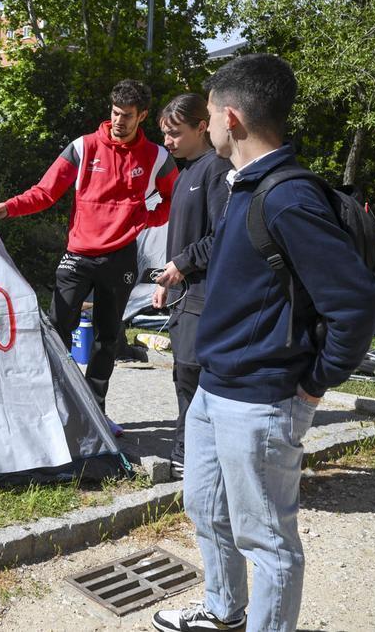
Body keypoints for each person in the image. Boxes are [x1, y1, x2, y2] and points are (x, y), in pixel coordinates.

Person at [153, 54, 375, 632]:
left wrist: (314, 385)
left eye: (209, 114)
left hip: (261, 399)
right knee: (205, 508)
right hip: (215, 388)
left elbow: (356, 303)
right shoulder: (245, 186)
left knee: (268, 540)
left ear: (230, 118)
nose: (206, 124)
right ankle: (223, 610)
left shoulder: (288, 197)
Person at [0, 79, 178, 433]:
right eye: (115, 112)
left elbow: (175, 199)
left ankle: (95, 413)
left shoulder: (157, 157)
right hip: (77, 255)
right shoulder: (82, 147)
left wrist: (145, 219)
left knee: (108, 338)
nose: (119, 121)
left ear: (142, 116)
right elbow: (45, 193)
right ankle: (50, 408)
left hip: (120, 257)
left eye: (128, 115)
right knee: (56, 331)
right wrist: (6, 209)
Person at [150, 93, 232, 480]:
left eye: (176, 133)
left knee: (193, 377)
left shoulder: (217, 170)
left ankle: (190, 457)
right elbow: (182, 238)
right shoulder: (185, 173)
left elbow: (224, 237)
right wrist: (167, 282)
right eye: (165, 134)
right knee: (183, 374)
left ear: (202, 127)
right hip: (183, 296)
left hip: (206, 296)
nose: (168, 142)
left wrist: (182, 265)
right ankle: (191, 454)